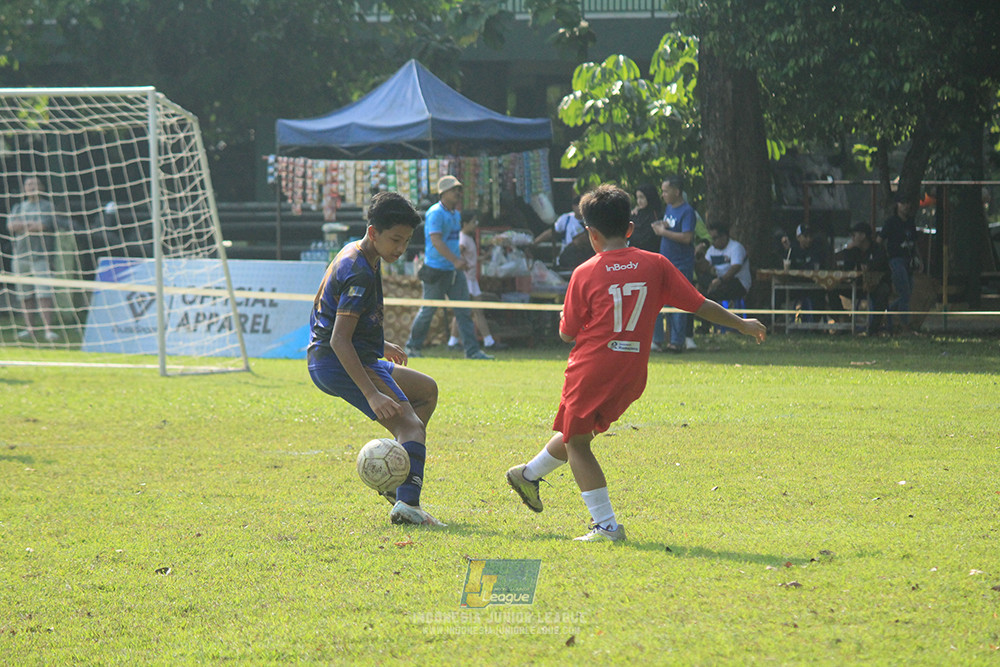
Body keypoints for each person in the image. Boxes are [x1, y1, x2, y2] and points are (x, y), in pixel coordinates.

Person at [504, 184, 767, 542]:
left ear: (590, 234)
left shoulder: (585, 272)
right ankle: (528, 475)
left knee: (578, 442)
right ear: (630, 228)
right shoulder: (656, 264)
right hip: (631, 373)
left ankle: (606, 527)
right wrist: (742, 324)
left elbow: (567, 333)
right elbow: (698, 303)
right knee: (575, 431)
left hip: (591, 368)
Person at [307, 191, 445, 527]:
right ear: (373, 232)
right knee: (410, 424)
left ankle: (397, 476)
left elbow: (340, 321)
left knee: (426, 390)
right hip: (338, 360)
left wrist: (380, 343)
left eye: (407, 241)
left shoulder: (361, 253)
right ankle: (408, 505)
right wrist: (372, 392)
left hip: (342, 355)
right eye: (395, 240)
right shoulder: (359, 272)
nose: (400, 248)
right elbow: (340, 339)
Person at [405, 175, 493, 360]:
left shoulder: (455, 214)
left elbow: (452, 241)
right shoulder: (435, 213)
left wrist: (459, 260)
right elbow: (436, 241)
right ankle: (412, 347)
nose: (458, 193)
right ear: (443, 193)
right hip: (436, 270)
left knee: (463, 311)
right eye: (454, 190)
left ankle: (473, 351)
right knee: (427, 311)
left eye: (459, 190)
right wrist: (455, 260)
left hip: (453, 270)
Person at [6, 176, 60, 343]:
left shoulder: (47, 206)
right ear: (24, 188)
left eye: (35, 184)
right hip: (20, 258)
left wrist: (24, 225)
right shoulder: (18, 207)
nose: (32, 187)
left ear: (41, 187)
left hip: (41, 257)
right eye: (29, 184)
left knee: (44, 294)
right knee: (25, 296)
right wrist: (29, 225)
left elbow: (42, 226)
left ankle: (48, 330)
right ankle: (30, 329)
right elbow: (11, 227)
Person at [651, 175, 698, 353]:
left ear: (677, 192)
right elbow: (672, 226)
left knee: (679, 301)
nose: (663, 194)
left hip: (681, 264)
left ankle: (677, 342)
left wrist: (663, 232)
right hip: (666, 261)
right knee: (662, 301)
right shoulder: (669, 208)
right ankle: (660, 339)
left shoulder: (687, 211)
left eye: (666, 191)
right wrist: (663, 225)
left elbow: (687, 237)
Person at [447, 211, 505, 351]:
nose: (475, 225)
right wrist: (460, 263)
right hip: (466, 280)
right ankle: (487, 341)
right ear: (465, 224)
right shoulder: (463, 239)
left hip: (471, 280)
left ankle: (454, 341)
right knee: (473, 311)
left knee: (468, 311)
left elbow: (469, 258)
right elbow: (457, 253)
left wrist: (482, 258)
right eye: (473, 222)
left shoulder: (468, 238)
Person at [878, 192, 920, 332]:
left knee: (907, 294)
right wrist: (884, 257)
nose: (906, 206)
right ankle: (904, 325)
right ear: (897, 205)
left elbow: (914, 243)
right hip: (896, 260)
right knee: (904, 292)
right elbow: (880, 240)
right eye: (903, 203)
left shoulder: (910, 222)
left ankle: (887, 312)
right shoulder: (891, 222)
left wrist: (918, 258)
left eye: (908, 203)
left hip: (909, 260)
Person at [841, 221, 891, 334]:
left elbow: (879, 266)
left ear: (863, 236)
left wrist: (868, 268)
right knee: (832, 289)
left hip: (877, 284)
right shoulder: (854, 250)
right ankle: (842, 322)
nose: (852, 238)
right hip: (858, 285)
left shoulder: (878, 249)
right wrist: (848, 252)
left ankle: (873, 329)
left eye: (854, 235)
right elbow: (847, 270)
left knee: (883, 291)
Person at [699, 223, 751, 304]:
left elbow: (736, 267)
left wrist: (720, 280)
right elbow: (705, 267)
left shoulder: (736, 247)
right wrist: (699, 255)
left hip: (737, 282)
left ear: (724, 236)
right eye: (711, 239)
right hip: (717, 280)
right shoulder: (712, 250)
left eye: (715, 238)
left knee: (714, 293)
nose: (713, 242)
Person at [628, 183, 663, 253]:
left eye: (642, 197)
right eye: (637, 198)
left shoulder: (658, 215)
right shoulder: (636, 214)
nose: (639, 201)